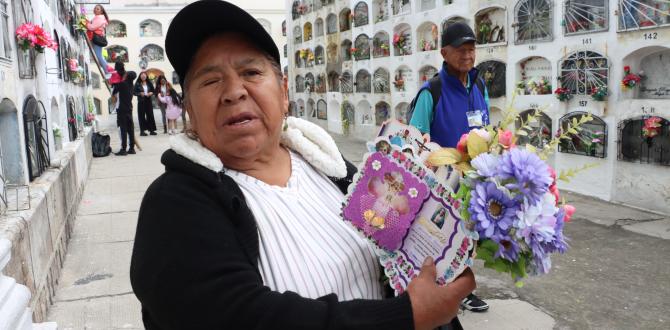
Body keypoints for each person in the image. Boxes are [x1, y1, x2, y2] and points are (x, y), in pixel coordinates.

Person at [129, 1, 475, 329]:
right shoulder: (173, 203)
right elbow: (241, 316)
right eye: (211, 80)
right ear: (188, 107)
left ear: (283, 92)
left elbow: (399, 253)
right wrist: (404, 317)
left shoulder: (335, 172)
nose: (234, 91)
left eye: (251, 71)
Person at [409, 21, 490, 313]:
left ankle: (459, 287)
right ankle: (447, 290)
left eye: (471, 50)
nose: (467, 56)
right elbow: (416, 141)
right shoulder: (432, 91)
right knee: (446, 236)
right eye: (461, 50)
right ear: (444, 52)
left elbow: (487, 128)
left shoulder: (479, 85)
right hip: (443, 182)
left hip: (474, 177)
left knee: (469, 236)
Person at [113, 66, 136, 156]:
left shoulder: (123, 84)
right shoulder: (131, 85)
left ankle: (123, 149)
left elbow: (114, 90)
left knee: (123, 129)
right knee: (130, 129)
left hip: (122, 109)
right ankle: (132, 148)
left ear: (127, 76)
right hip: (129, 108)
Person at [86, 4, 110, 79]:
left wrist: (86, 23)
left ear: (101, 11)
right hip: (97, 38)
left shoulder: (99, 18)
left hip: (97, 39)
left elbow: (92, 27)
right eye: (95, 8)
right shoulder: (98, 17)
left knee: (99, 56)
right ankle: (107, 71)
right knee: (98, 56)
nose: (95, 9)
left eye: (98, 9)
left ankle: (108, 72)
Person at [133, 71, 157, 136]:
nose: (143, 76)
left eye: (144, 75)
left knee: (150, 115)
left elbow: (153, 90)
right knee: (141, 116)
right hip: (141, 101)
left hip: (148, 100)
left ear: (146, 76)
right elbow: (134, 92)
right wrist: (140, 93)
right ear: (140, 76)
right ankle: (142, 131)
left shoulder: (149, 83)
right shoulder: (137, 83)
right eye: (142, 75)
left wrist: (151, 93)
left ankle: (152, 130)